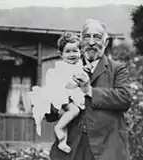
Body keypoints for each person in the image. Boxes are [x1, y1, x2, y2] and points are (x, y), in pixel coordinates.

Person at [46, 19, 132, 160]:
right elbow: (49, 114)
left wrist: (89, 90)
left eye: (97, 37)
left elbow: (125, 98)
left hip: (105, 150)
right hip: (72, 149)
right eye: (87, 37)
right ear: (81, 42)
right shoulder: (65, 68)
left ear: (105, 43)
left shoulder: (117, 69)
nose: (91, 42)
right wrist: (55, 104)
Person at [29, 32, 88, 153]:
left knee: (68, 117)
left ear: (80, 52)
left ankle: (62, 142)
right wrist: (80, 82)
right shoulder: (62, 67)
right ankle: (58, 127)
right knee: (74, 111)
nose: (72, 55)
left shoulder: (79, 65)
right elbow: (68, 85)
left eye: (75, 51)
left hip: (72, 96)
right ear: (61, 54)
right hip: (62, 96)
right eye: (68, 51)